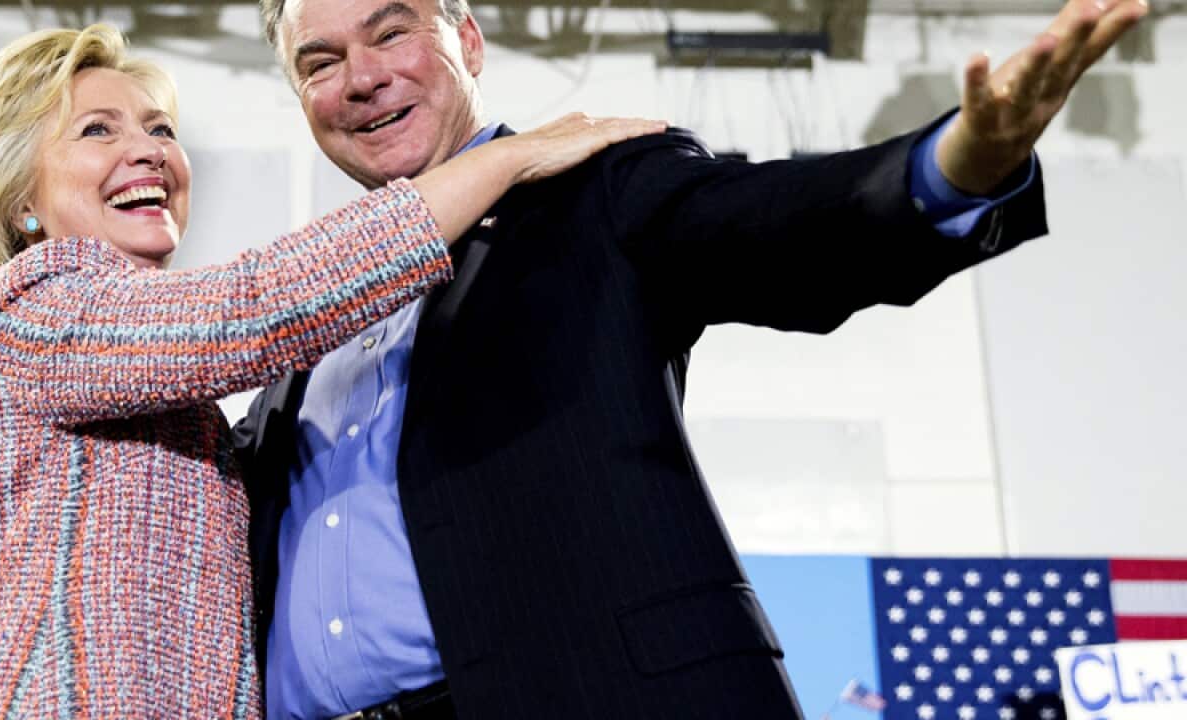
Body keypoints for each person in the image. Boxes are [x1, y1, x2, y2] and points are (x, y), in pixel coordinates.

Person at [236, 1, 1148, 718]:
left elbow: (769, 222)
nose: (360, 77)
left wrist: (953, 167)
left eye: (390, 32)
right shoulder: (305, 316)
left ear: (468, 42)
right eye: (320, 62)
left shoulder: (594, 186)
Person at [0, 23, 663, 716]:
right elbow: (260, 306)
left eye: (160, 129)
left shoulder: (161, 396)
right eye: (97, 130)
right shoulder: (33, 308)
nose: (149, 151)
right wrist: (508, 156)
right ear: (18, 201)